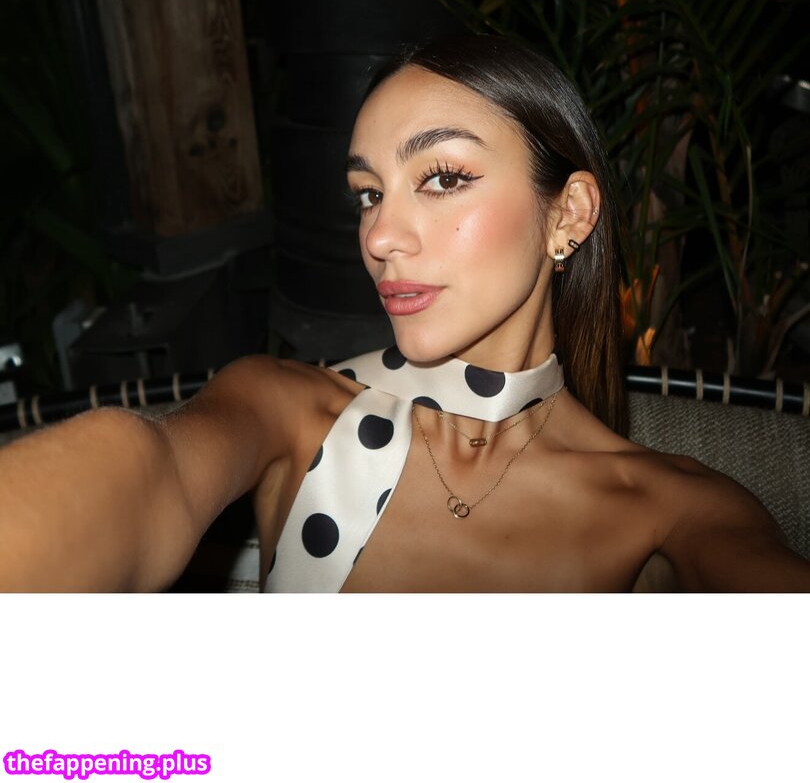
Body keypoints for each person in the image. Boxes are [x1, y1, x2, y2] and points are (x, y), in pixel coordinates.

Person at [1, 34, 808, 592]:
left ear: (568, 215)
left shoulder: (673, 510)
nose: (380, 236)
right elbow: (143, 471)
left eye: (443, 178)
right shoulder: (288, 410)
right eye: (367, 194)